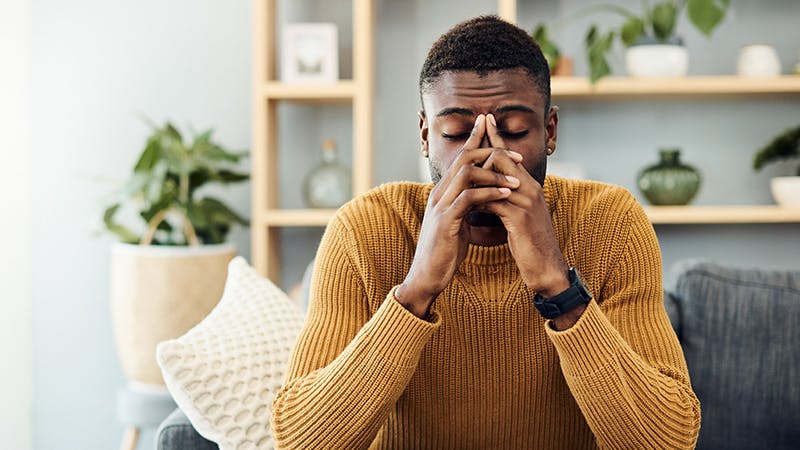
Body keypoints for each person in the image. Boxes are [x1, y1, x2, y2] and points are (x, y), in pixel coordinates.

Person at [271, 15, 700, 449]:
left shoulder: (611, 223)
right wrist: (416, 291)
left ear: (549, 131)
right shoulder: (363, 230)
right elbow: (300, 443)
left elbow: (668, 441)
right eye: (457, 133)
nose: (486, 156)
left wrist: (558, 286)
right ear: (425, 135)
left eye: (513, 131)